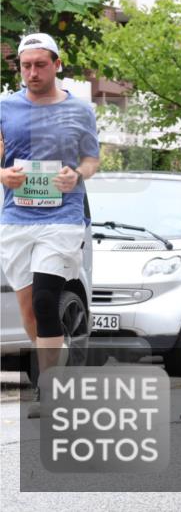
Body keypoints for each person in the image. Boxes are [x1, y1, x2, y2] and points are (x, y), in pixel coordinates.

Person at [0, 33, 100, 418]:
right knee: (28, 310)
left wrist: (77, 175)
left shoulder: (80, 111)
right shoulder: (6, 106)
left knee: (45, 301)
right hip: (16, 219)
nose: (32, 72)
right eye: (26, 65)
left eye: (40, 64)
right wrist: (3, 176)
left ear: (57, 64)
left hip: (62, 218)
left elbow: (91, 159)